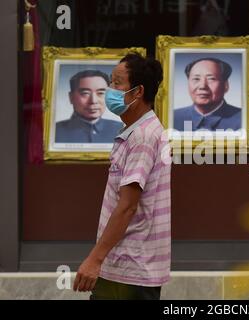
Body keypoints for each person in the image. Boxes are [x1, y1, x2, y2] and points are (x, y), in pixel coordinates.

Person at [73, 53, 171, 300]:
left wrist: (94, 259)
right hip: (121, 267)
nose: (110, 90)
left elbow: (127, 206)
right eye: (111, 81)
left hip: (131, 273)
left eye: (117, 83)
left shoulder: (143, 137)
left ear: (138, 92)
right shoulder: (135, 131)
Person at [174, 57, 241, 131]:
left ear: (226, 85)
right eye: (196, 79)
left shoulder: (245, 119)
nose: (202, 86)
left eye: (211, 79)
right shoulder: (173, 118)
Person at [55, 70, 123, 143]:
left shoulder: (122, 130)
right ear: (71, 97)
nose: (93, 101)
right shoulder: (54, 132)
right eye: (85, 93)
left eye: (100, 93)